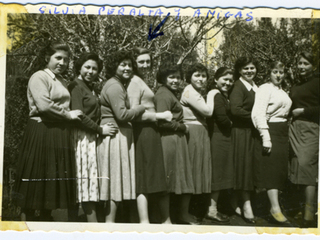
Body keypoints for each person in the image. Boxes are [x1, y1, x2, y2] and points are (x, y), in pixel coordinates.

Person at [14, 41, 83, 221]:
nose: (62, 63)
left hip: (57, 133)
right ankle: (26, 226)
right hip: (41, 130)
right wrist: (68, 115)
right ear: (47, 58)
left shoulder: (61, 80)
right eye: (58, 58)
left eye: (66, 60)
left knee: (50, 184)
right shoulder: (39, 77)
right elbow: (44, 106)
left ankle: (45, 223)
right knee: (35, 181)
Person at [68, 52, 118, 222]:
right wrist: (100, 129)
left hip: (91, 137)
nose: (91, 71)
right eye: (87, 67)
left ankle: (85, 221)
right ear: (79, 68)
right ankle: (92, 222)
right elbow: (79, 116)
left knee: (89, 179)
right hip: (81, 137)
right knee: (85, 179)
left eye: (94, 68)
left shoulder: (91, 87)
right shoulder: (76, 86)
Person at [97, 51, 145, 223]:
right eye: (122, 65)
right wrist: (140, 108)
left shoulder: (117, 84)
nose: (127, 68)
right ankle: (109, 224)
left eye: (129, 65)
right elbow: (122, 115)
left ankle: (113, 222)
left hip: (119, 135)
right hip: (116, 136)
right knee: (115, 181)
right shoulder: (115, 86)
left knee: (116, 180)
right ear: (114, 67)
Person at [127, 47, 172, 224]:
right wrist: (160, 116)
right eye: (141, 62)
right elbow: (134, 113)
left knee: (155, 175)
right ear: (134, 64)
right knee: (144, 177)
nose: (146, 65)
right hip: (143, 132)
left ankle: (164, 221)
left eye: (148, 61)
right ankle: (144, 222)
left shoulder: (141, 80)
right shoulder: (133, 82)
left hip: (151, 131)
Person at [154, 63, 199, 225]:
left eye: (178, 78)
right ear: (163, 78)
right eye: (171, 77)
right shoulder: (163, 94)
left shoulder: (171, 93)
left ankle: (183, 215)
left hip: (177, 139)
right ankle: (166, 219)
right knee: (168, 180)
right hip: (168, 139)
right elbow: (162, 123)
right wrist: (182, 127)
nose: (175, 80)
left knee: (183, 177)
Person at [251, 61, 292, 225]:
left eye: (281, 72)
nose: (278, 75)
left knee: (280, 169)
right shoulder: (264, 89)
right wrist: (265, 136)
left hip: (282, 131)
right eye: (275, 71)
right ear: (269, 72)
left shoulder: (282, 90)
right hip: (271, 130)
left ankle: (274, 205)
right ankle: (274, 209)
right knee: (272, 171)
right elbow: (257, 113)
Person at [180, 63, 218, 219]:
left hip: (199, 132)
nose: (201, 79)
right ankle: (184, 213)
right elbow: (208, 111)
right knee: (192, 171)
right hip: (193, 132)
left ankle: (189, 211)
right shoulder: (190, 92)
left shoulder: (195, 92)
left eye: (203, 76)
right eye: (197, 75)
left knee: (197, 170)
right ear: (189, 77)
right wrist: (213, 94)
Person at [289, 52, 319, 227]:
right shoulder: (295, 85)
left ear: (313, 66)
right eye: (299, 63)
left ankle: (309, 212)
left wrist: (303, 112)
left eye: (305, 63)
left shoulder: (318, 82)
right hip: (294, 128)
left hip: (310, 127)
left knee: (307, 166)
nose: (301, 67)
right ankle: (299, 207)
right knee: (296, 167)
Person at [229, 57, 259, 224]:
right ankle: (246, 205)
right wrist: (258, 117)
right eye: (245, 68)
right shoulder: (238, 86)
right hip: (240, 133)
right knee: (243, 168)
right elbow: (236, 110)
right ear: (239, 71)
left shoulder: (256, 87)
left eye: (252, 68)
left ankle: (234, 201)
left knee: (248, 168)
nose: (249, 71)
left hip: (252, 133)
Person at [206, 67, 234, 224]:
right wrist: (233, 124)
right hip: (218, 137)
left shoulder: (223, 95)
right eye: (225, 79)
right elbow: (222, 119)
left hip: (223, 137)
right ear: (216, 79)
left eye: (230, 80)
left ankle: (215, 208)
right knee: (217, 173)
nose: (228, 82)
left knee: (222, 172)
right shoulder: (216, 95)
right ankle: (211, 210)